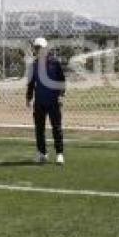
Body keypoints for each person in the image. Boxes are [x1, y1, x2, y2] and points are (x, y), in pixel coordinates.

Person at [26, 37, 66, 165]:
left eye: (40, 48)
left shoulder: (55, 63)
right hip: (39, 102)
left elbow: (61, 81)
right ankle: (42, 153)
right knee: (39, 129)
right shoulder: (34, 65)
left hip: (53, 101)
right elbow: (31, 83)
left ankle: (59, 154)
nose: (38, 50)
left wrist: (61, 95)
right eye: (36, 48)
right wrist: (29, 98)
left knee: (56, 127)